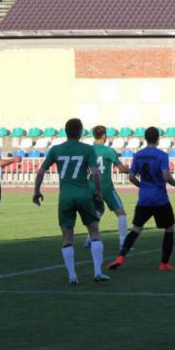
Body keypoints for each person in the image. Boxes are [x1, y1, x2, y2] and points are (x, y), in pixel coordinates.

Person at [32, 118, 109, 285]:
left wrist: (36, 191)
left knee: (67, 236)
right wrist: (98, 191)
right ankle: (98, 272)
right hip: (84, 195)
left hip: (65, 197)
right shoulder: (87, 149)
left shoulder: (56, 149)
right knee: (94, 231)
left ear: (66, 132)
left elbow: (41, 171)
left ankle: (72, 276)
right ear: (80, 132)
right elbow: (95, 173)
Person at [108, 126, 175, 271]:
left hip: (144, 199)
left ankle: (120, 257)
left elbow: (131, 177)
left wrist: (141, 186)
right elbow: (166, 176)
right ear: (158, 139)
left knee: (136, 229)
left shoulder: (138, 155)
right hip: (159, 199)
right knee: (169, 228)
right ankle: (164, 263)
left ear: (145, 138)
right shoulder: (162, 155)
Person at [85, 125, 129, 251]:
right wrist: (130, 169)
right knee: (121, 213)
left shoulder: (88, 150)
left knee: (98, 211)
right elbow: (121, 169)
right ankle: (123, 243)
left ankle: (89, 239)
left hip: (90, 186)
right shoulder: (108, 151)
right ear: (104, 136)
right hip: (105, 187)